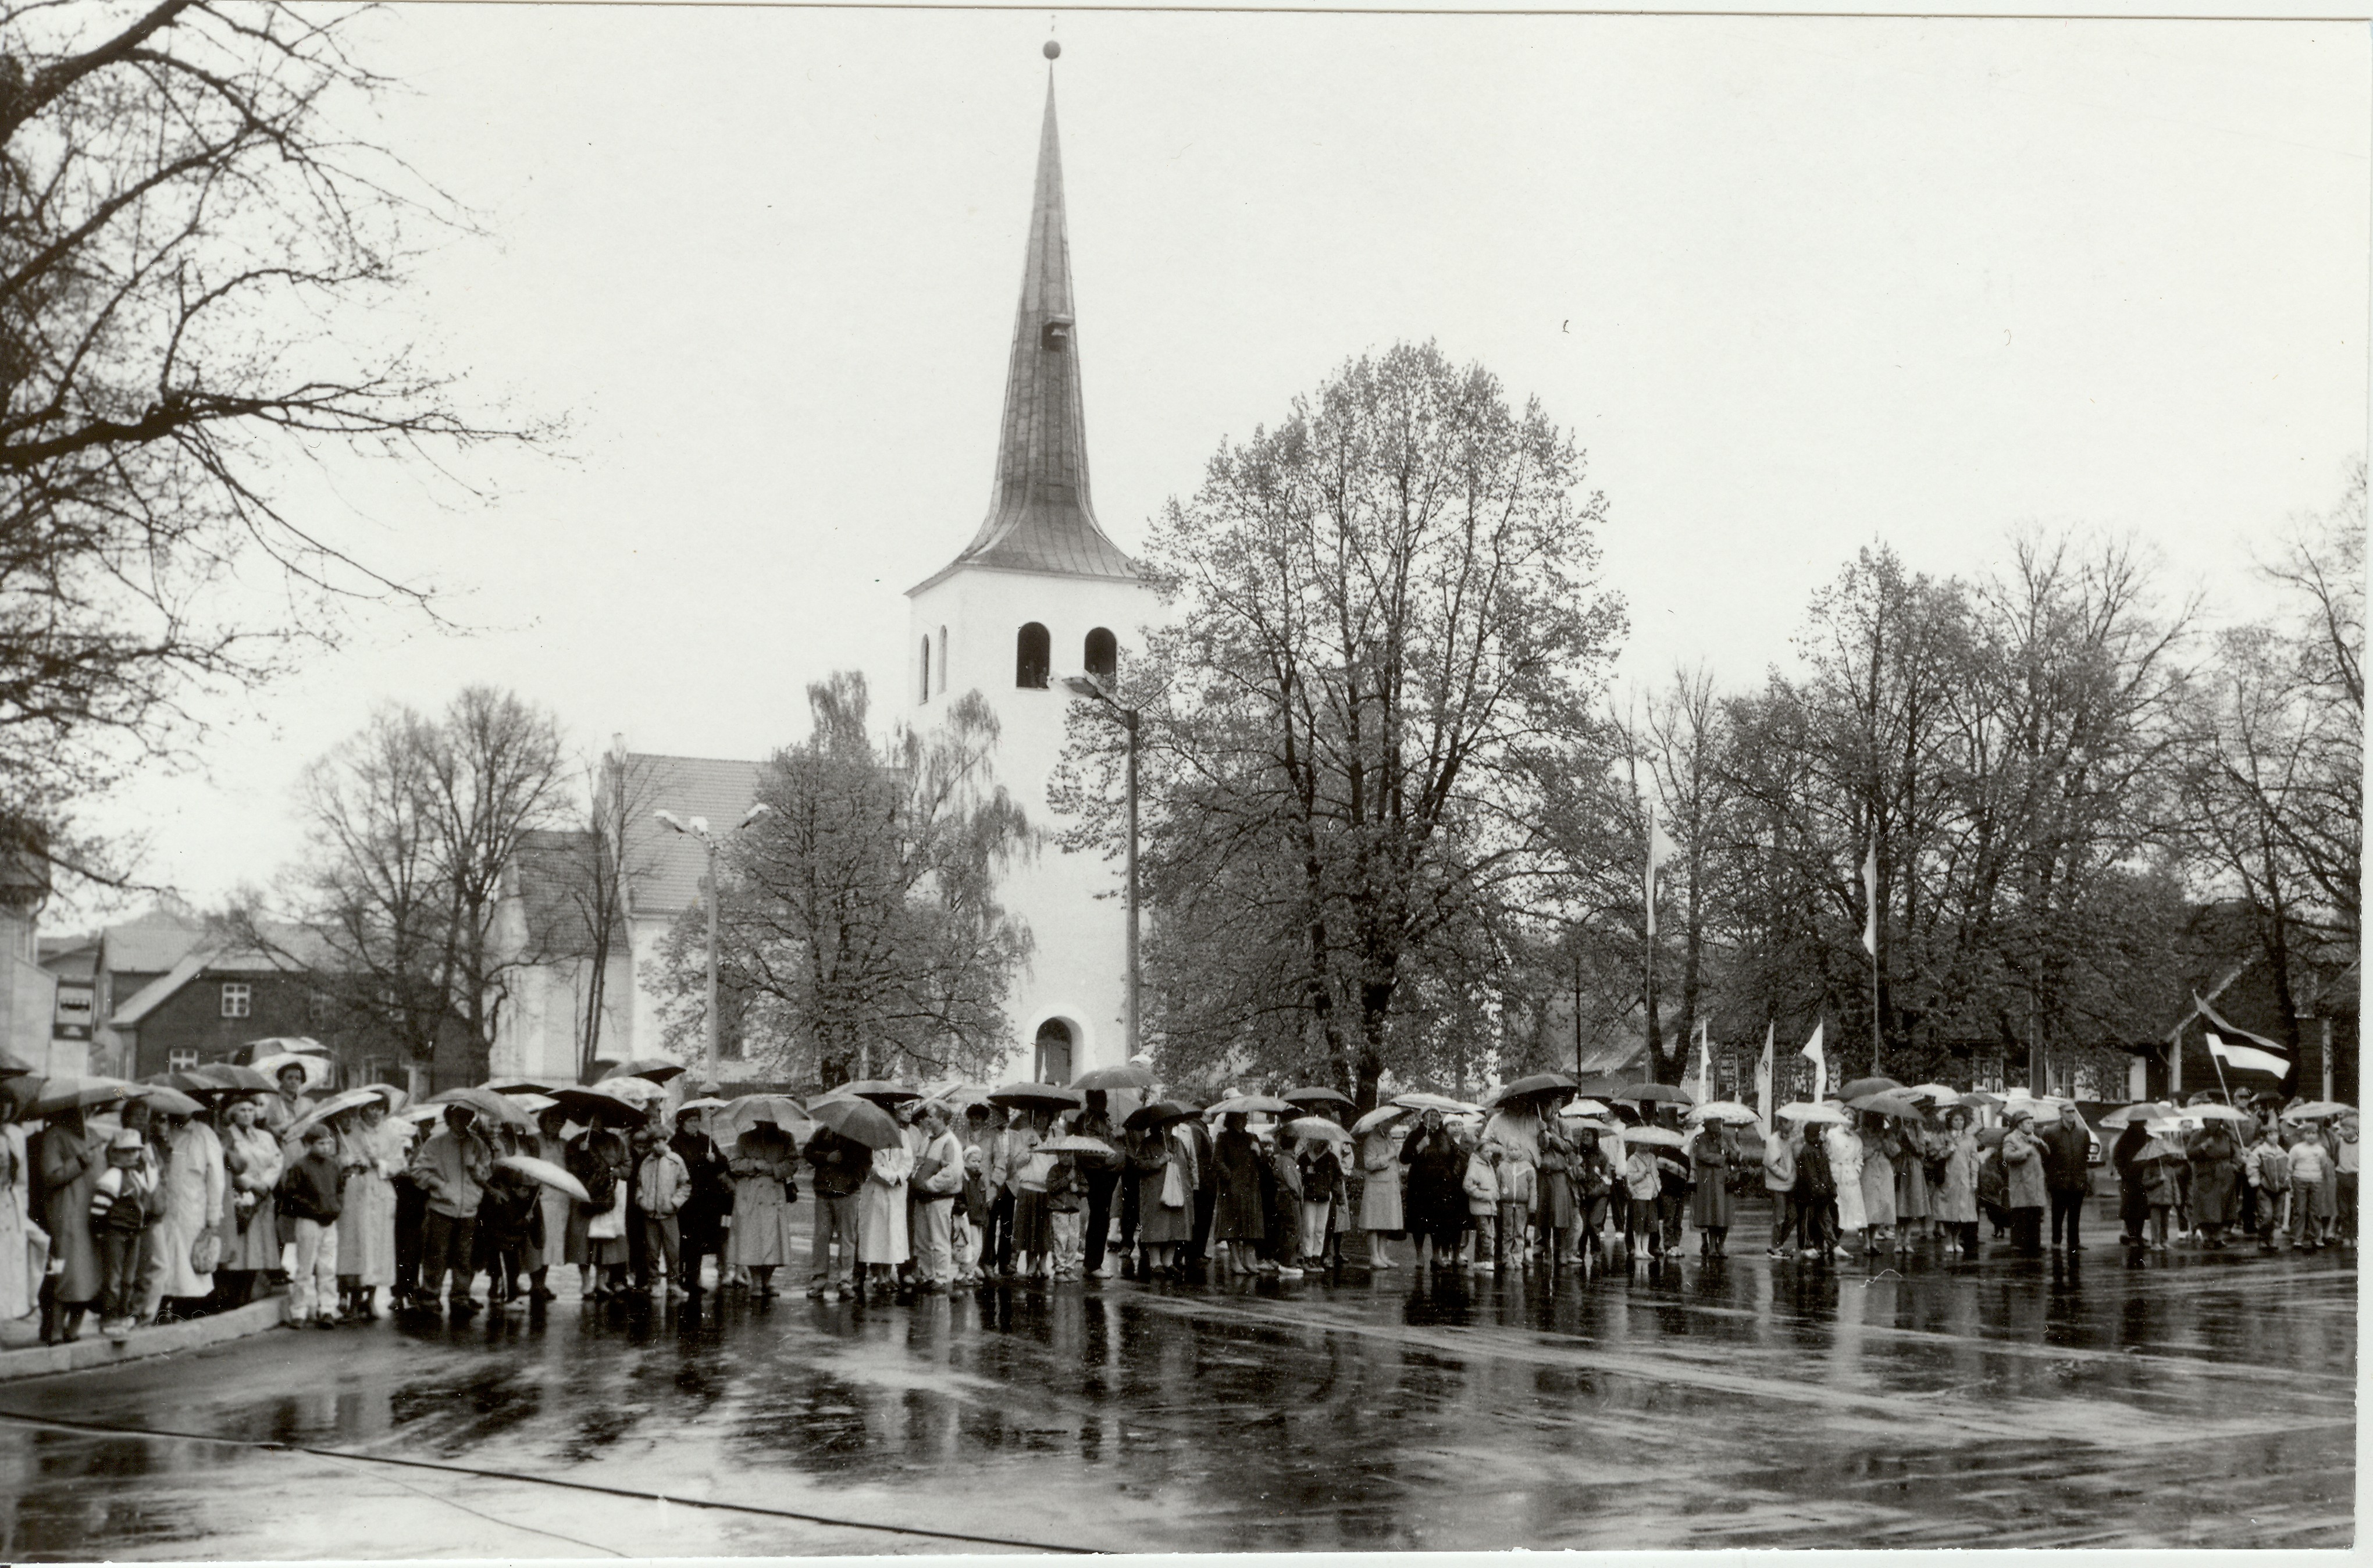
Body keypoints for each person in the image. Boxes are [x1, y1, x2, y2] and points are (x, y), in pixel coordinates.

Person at [408, 1103, 493, 1315]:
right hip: (442, 1209)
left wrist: (476, 1168)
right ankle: (430, 1296)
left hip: (469, 1210)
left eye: (467, 1116)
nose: (463, 1121)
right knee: (436, 1255)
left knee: (464, 1257)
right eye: (458, 1116)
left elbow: (488, 1172)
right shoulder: (436, 1143)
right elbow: (418, 1171)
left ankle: (460, 1296)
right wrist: (440, 1185)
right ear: (449, 1118)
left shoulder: (477, 1144)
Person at [145, 1107, 224, 1323]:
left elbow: (216, 1178)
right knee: (162, 1260)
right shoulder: (161, 1131)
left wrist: (213, 1218)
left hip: (192, 1207)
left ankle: (185, 1311)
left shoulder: (203, 1134)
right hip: (163, 1207)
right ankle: (159, 1310)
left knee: (188, 1266)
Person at [40, 1107, 105, 1344]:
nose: (82, 1114)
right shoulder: (54, 1136)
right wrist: (79, 1162)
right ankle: (56, 1329)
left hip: (94, 1212)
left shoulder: (95, 1135)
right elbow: (51, 1176)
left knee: (91, 1274)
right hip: (67, 1213)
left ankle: (74, 1329)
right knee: (66, 1273)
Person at [88, 1129, 160, 1341]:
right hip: (116, 1233)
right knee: (115, 1278)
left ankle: (122, 1315)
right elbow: (98, 1209)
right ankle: (109, 1318)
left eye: (135, 1151)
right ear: (114, 1153)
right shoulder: (112, 1177)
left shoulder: (135, 1175)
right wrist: (100, 1232)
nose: (131, 1156)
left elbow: (149, 1189)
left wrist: (148, 1165)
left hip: (133, 1232)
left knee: (128, 1277)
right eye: (125, 1152)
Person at [336, 1099, 403, 1318]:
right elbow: (338, 1158)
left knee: (379, 1247)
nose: (376, 1113)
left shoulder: (391, 1135)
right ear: (363, 1109)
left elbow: (399, 1163)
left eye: (381, 1108)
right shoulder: (349, 1132)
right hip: (357, 1189)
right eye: (372, 1108)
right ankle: (353, 1299)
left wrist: (379, 1163)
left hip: (381, 1191)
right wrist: (350, 1160)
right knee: (359, 1243)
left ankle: (371, 1300)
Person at [277, 1124, 345, 1328]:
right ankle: (299, 1310)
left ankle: (327, 1309)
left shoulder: (334, 1166)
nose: (325, 1148)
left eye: (328, 1143)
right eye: (320, 1143)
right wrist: (313, 1209)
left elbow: (340, 1188)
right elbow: (291, 1195)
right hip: (309, 1221)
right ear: (309, 1144)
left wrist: (336, 1208)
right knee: (305, 1267)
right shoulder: (300, 1167)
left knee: (328, 1267)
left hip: (329, 1221)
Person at [219, 1096, 283, 1307]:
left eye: (250, 1110)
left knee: (260, 1245)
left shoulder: (265, 1137)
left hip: (264, 1195)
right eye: (242, 1110)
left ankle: (249, 1290)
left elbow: (277, 1160)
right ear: (233, 1114)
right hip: (242, 1194)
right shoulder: (229, 1137)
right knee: (242, 1246)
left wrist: (265, 1183)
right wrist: (250, 1184)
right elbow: (228, 1164)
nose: (247, 1114)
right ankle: (234, 1295)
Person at [725, 1125, 799, 1296]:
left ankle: (767, 1281)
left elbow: (793, 1163)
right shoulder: (745, 1138)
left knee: (774, 1239)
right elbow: (734, 1164)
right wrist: (754, 1164)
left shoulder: (786, 1138)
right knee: (753, 1239)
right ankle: (757, 1282)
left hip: (774, 1193)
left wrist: (773, 1169)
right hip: (750, 1194)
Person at [566, 1120, 633, 1299]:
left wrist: (617, 1172)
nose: (596, 1124)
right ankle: (586, 1282)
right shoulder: (576, 1142)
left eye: (600, 1120)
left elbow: (627, 1164)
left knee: (606, 1241)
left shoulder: (616, 1141)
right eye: (592, 1120)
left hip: (607, 1196)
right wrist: (581, 1154)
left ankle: (601, 1282)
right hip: (584, 1195)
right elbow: (570, 1168)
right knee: (584, 1241)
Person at [669, 1106, 732, 1296]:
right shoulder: (675, 1143)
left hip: (706, 1199)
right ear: (682, 1123)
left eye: (697, 1121)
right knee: (683, 1240)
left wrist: (715, 1160)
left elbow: (724, 1163)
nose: (695, 1125)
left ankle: (694, 1278)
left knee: (699, 1240)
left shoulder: (706, 1140)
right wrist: (701, 1161)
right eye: (691, 1121)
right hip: (686, 1198)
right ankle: (679, 1278)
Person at [802, 1123, 868, 1298]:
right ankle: (818, 1281)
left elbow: (865, 1164)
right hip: (824, 1191)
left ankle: (845, 1281)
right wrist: (826, 1157)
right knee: (821, 1238)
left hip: (847, 1193)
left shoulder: (860, 1135)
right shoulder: (823, 1132)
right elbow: (808, 1152)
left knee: (847, 1237)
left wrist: (854, 1183)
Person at [1399, 1111, 1465, 1270]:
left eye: (1436, 1115)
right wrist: (1420, 1146)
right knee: (1419, 1221)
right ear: (1423, 1118)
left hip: (1440, 1184)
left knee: (1439, 1220)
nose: (1433, 1118)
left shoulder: (1444, 1135)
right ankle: (1420, 1255)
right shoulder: (1415, 1135)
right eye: (1429, 1115)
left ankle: (1436, 1255)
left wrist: (1452, 1172)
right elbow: (1404, 1158)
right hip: (1420, 1183)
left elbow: (1456, 1155)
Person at [629, 1124, 690, 1296]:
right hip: (650, 1213)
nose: (657, 1146)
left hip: (669, 1213)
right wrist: (641, 1200)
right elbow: (639, 1185)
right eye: (654, 1142)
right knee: (652, 1251)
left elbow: (685, 1184)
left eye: (660, 1141)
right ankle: (654, 1282)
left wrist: (675, 1203)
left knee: (673, 1251)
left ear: (666, 1141)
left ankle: (674, 1284)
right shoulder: (646, 1162)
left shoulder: (675, 1161)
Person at [1128, 1117, 1191, 1278]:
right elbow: (1139, 1165)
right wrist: (1160, 1160)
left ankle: (1168, 1261)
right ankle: (1155, 1262)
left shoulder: (1178, 1143)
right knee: (1155, 1225)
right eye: (1164, 1127)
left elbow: (1187, 1164)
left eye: (1170, 1126)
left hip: (1176, 1191)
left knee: (1174, 1225)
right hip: (1154, 1192)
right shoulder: (1147, 1144)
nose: (1168, 1130)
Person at [911, 1104, 964, 1291]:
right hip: (922, 1198)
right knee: (922, 1239)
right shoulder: (927, 1140)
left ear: (942, 1119)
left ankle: (941, 1277)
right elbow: (918, 1164)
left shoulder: (950, 1142)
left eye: (932, 1117)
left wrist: (929, 1186)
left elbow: (953, 1172)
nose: (928, 1120)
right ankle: (928, 1275)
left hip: (939, 1198)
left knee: (940, 1238)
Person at [857, 1129, 914, 1298]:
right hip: (876, 1189)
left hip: (897, 1190)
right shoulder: (869, 1136)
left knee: (893, 1234)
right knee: (876, 1233)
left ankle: (887, 1274)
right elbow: (870, 1164)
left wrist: (898, 1177)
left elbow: (908, 1161)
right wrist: (889, 1177)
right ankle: (879, 1276)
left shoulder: (903, 1135)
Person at [1210, 1113, 1265, 1278]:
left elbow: (1264, 1165)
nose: (1243, 1122)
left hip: (1250, 1187)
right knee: (1232, 1225)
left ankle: (1248, 1260)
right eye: (1239, 1119)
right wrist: (1230, 1177)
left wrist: (1259, 1152)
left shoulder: (1253, 1138)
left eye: (1245, 1119)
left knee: (1251, 1225)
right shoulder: (1224, 1138)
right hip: (1232, 1188)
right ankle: (1235, 1260)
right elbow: (1216, 1162)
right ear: (1231, 1120)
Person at [1074, 1092, 1121, 1280]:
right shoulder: (1086, 1120)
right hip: (1094, 1170)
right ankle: (1093, 1263)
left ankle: (1094, 1262)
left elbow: (1108, 1142)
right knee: (1099, 1216)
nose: (1104, 1103)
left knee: (1102, 1216)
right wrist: (1107, 1153)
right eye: (1100, 1099)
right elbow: (1088, 1146)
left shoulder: (1104, 1119)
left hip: (1107, 1170)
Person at [2040, 1102, 2091, 1253]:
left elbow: (2085, 1153)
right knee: (2058, 1213)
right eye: (2068, 1112)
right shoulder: (2051, 1132)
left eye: (2073, 1111)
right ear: (2061, 1113)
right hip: (2059, 1180)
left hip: (2078, 1179)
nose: (2071, 1114)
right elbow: (2045, 1156)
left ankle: (2074, 1242)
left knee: (2075, 1214)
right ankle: (2056, 1241)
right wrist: (2052, 1174)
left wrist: (2082, 1175)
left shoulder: (2082, 1132)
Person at [1357, 1114, 1406, 1268]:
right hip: (1377, 1186)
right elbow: (1369, 1164)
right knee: (1374, 1222)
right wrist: (1389, 1156)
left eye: (1392, 1121)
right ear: (1379, 1122)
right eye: (1387, 1121)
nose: (1390, 1124)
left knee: (1385, 1221)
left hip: (1389, 1186)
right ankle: (1374, 1256)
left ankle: (1382, 1254)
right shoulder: (1372, 1140)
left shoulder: (1388, 1137)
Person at [2186, 1117, 2243, 1248]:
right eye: (2211, 1121)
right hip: (2205, 1175)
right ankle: (2206, 1237)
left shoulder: (2227, 1135)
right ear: (2205, 1122)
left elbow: (2237, 1153)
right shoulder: (2197, 1136)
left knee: (2223, 1206)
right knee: (2206, 1207)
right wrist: (2204, 1146)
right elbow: (2189, 1154)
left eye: (2217, 1121)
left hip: (2225, 1175)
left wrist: (2234, 1167)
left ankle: (2218, 1237)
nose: (2214, 1123)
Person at [2001, 1110, 2047, 1256]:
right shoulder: (2011, 1138)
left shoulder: (2034, 1138)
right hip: (2021, 1181)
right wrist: (2023, 1153)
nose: (2031, 1126)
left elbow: (2048, 1152)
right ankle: (2018, 1243)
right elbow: (2007, 1156)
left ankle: (2035, 1243)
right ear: (2020, 1125)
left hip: (2035, 1181)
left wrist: (2039, 1143)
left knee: (2034, 1212)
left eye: (2032, 1123)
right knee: (2021, 1212)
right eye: (2028, 1123)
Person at [1934, 1111, 1980, 1260]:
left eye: (1961, 1119)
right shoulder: (1944, 1137)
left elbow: (1974, 1160)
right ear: (1950, 1121)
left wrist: (1974, 1179)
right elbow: (1935, 1155)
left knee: (1963, 1210)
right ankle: (1949, 1240)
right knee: (1949, 1210)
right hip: (1949, 1178)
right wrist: (1949, 1150)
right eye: (1956, 1119)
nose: (1959, 1122)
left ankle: (1957, 1240)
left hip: (1964, 1178)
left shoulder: (1970, 1139)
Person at [1296, 1131, 1341, 1273]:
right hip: (1309, 1197)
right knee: (1308, 1227)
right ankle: (1307, 1256)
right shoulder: (1304, 1158)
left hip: (1324, 1198)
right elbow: (1299, 1176)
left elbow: (1337, 1177)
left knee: (1321, 1228)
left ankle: (1317, 1257)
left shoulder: (1332, 1159)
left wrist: (1337, 1194)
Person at [1794, 1121, 1836, 1264]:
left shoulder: (1820, 1149)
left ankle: (1828, 1244)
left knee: (1824, 1219)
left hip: (1820, 1193)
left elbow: (1826, 1171)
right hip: (1808, 1194)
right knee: (1807, 1219)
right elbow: (1810, 1175)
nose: (1821, 1134)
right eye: (1819, 1132)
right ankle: (1806, 1246)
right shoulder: (1807, 1151)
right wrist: (1819, 1189)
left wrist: (1829, 1188)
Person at [2245, 1123, 2292, 1251]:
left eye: (2276, 1134)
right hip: (2265, 1187)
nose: (2274, 1138)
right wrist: (2256, 1179)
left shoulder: (2282, 1152)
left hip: (2280, 1188)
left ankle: (2270, 1239)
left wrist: (2287, 1181)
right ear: (2265, 1137)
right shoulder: (2260, 1151)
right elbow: (2252, 1166)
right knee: (2266, 1215)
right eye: (2270, 1135)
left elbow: (2288, 1168)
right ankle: (2262, 1238)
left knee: (2277, 1215)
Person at [1825, 1116, 1866, 1256]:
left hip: (1850, 1177)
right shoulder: (1832, 1135)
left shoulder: (1856, 1139)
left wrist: (1856, 1171)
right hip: (1836, 1175)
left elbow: (1859, 1158)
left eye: (1852, 1119)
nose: (1851, 1121)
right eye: (1847, 1118)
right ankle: (1831, 1242)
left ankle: (1835, 1242)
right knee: (1836, 1210)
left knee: (1848, 1213)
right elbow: (1827, 1154)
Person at [2286, 1128, 2332, 1251]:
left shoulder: (2321, 1150)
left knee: (2315, 1210)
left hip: (2316, 1180)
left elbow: (2323, 1165)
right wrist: (2290, 1179)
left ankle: (2316, 1238)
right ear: (2303, 1135)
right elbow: (2291, 1164)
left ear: (2317, 1135)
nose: (2311, 1136)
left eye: (2313, 1133)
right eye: (2308, 1133)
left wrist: (2317, 1175)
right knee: (2299, 1210)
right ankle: (2297, 1239)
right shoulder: (2297, 1149)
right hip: (2300, 1180)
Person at [1690, 1122, 1732, 1257]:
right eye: (1714, 1122)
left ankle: (1722, 1245)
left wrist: (1729, 1150)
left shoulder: (1727, 1138)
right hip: (1710, 1182)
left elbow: (1738, 1155)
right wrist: (1722, 1158)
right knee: (1712, 1214)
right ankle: (1712, 1246)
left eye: (1718, 1122)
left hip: (1726, 1181)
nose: (1717, 1126)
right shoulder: (1700, 1139)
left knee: (1725, 1213)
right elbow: (1702, 1155)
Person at [1857, 1118, 1895, 1256]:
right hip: (1868, 1171)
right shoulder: (1860, 1134)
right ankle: (1867, 1240)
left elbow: (1895, 1151)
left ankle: (1873, 1240)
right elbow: (1858, 1153)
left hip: (1884, 1171)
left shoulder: (1885, 1134)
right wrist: (1873, 1148)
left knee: (1880, 1207)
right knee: (1869, 1207)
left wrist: (1885, 1141)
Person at [2112, 1116, 2151, 1248]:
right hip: (2130, 1178)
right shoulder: (2126, 1137)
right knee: (2130, 1208)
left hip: (2142, 1176)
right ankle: (2133, 1237)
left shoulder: (2144, 1135)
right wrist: (2125, 1172)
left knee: (2141, 1209)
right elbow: (2118, 1157)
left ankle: (2138, 1237)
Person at [1462, 1139, 1501, 1270]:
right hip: (1480, 1206)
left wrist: (1495, 1195)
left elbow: (1493, 1184)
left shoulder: (1488, 1165)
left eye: (1491, 1151)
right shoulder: (1475, 1166)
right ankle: (1487, 1258)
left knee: (1482, 1234)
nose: (1490, 1154)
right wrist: (1484, 1195)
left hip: (1489, 1206)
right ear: (1479, 1152)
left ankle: (1480, 1260)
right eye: (1486, 1151)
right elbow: (1468, 1185)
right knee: (1487, 1234)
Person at [2140, 1131, 2181, 1249]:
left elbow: (2175, 1185)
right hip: (2155, 1200)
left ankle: (2164, 1241)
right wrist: (2158, 1180)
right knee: (2155, 1223)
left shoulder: (2170, 1170)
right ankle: (2155, 1242)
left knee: (2165, 1223)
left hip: (2167, 1200)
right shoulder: (2150, 1168)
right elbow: (2146, 1183)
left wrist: (2177, 1199)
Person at [1763, 1122, 1798, 1258]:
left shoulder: (1789, 1140)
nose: (1792, 1128)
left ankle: (1777, 1245)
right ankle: (1776, 1247)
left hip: (1790, 1183)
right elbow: (1770, 1163)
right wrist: (1785, 1175)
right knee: (1780, 1217)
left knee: (1793, 1216)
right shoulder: (1773, 1141)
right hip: (1778, 1185)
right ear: (1781, 1124)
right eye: (1790, 1124)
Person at [260, 1063, 318, 1141]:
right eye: (290, 1078)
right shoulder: (268, 1100)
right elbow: (263, 1127)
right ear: (281, 1080)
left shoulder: (308, 1103)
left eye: (298, 1079)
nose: (294, 1082)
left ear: (302, 1082)